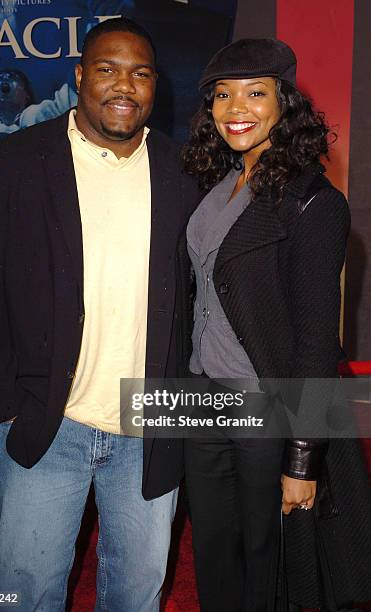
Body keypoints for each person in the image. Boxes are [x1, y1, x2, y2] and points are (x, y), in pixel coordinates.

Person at [0, 17, 199, 611]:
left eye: (140, 73)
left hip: (147, 428)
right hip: (46, 424)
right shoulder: (12, 163)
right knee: (26, 595)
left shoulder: (183, 171)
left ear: (154, 86)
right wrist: (5, 405)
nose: (124, 86)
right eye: (108, 69)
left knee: (137, 594)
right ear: (79, 76)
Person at [181, 39, 371, 611]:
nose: (236, 107)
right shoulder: (216, 188)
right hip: (199, 395)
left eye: (255, 92)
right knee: (213, 548)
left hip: (265, 402)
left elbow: (317, 340)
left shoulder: (313, 202)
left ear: (284, 102)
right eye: (222, 94)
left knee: (270, 560)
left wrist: (302, 458)